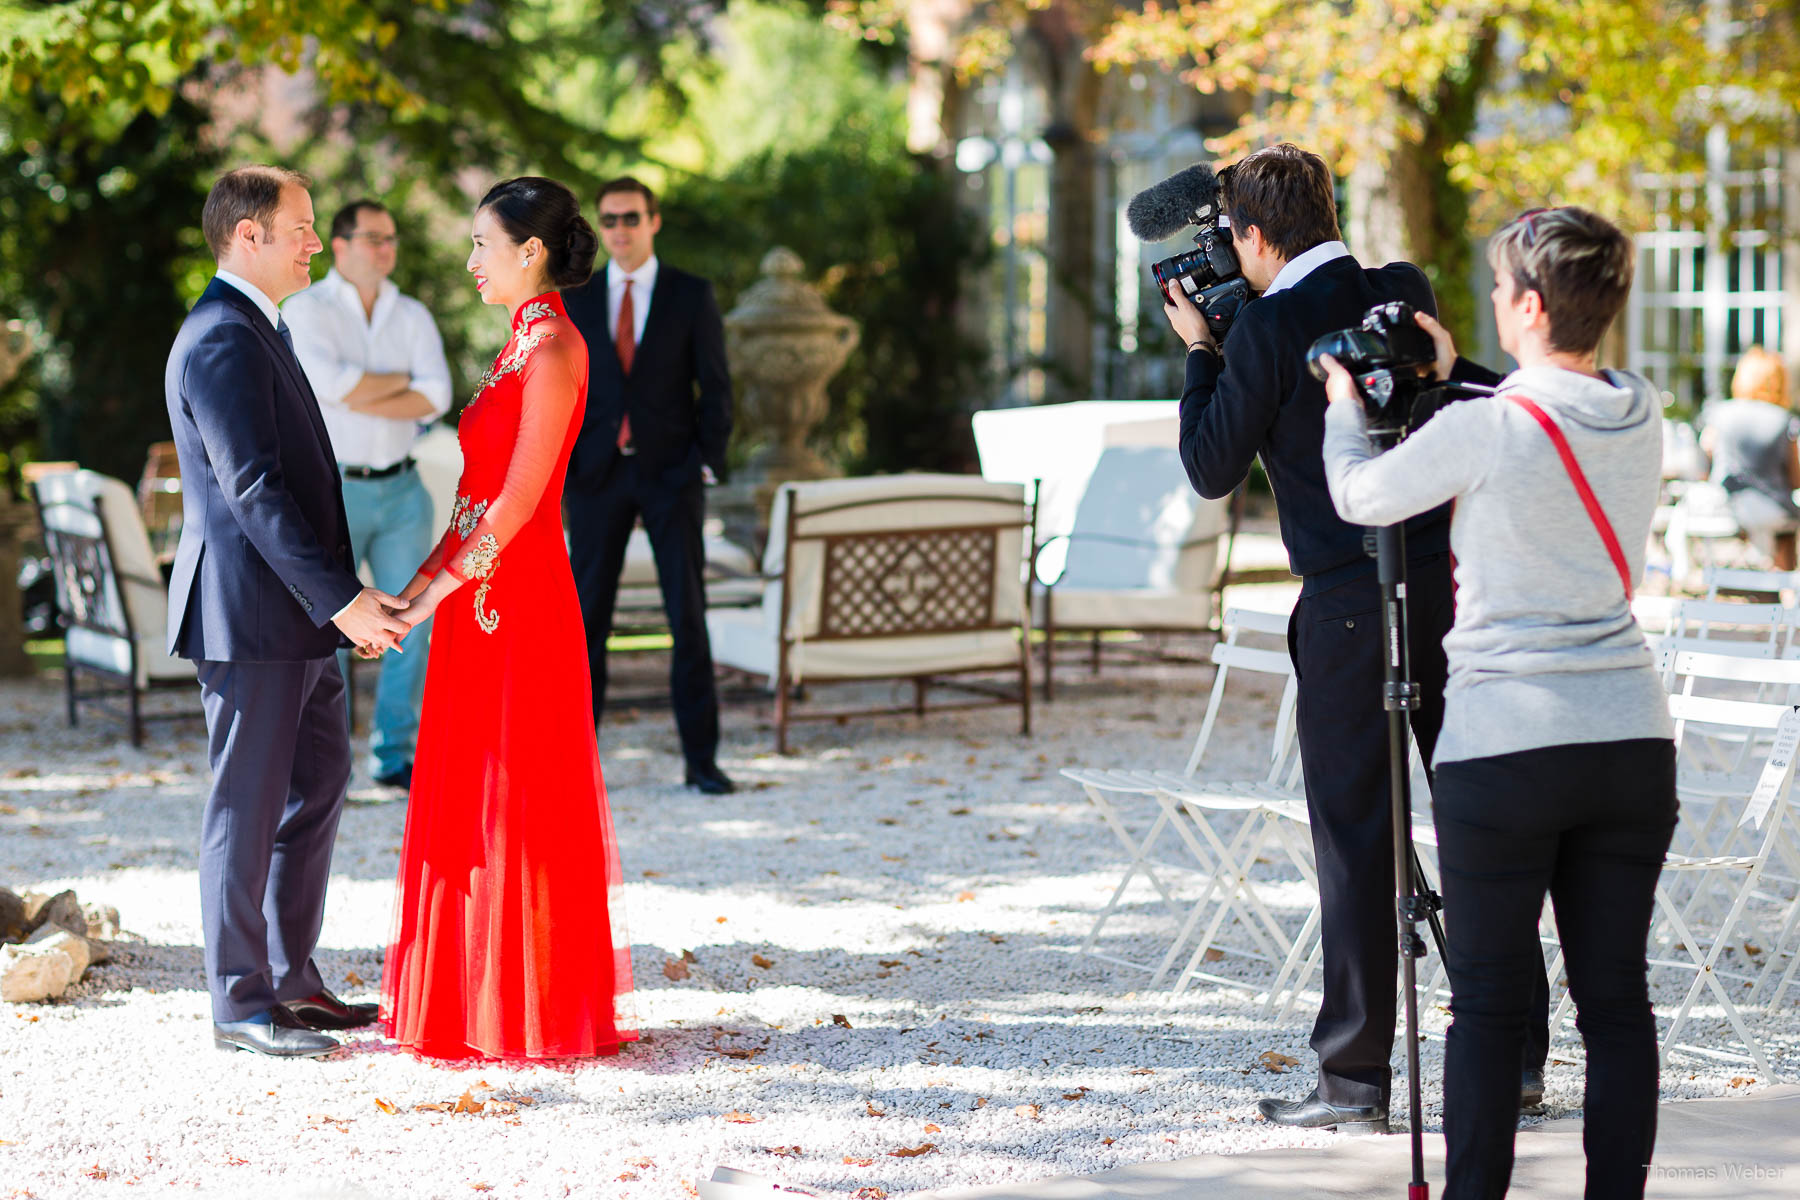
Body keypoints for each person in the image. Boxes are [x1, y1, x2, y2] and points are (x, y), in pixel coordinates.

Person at [1161, 142, 1546, 1132]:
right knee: (1477, 824)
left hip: (1341, 604)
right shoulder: (1398, 287)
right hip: (1440, 588)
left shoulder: (1264, 329)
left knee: (1357, 843)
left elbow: (1210, 468)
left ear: (1250, 237)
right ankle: (1518, 1061)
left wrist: (1203, 351)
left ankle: (1356, 1080)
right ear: (1328, 211)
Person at [1319, 205, 1675, 1199]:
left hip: (1506, 745)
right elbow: (1545, 399)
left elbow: (1362, 494)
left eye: (1498, 289)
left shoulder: (1486, 427)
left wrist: (1349, 402)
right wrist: (1456, 370)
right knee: (1617, 1005)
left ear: (1524, 304)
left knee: (1483, 1004)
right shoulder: (1641, 410)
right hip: (1630, 739)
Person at [380, 176, 637, 1060]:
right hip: (473, 602)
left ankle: (527, 1007)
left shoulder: (555, 348)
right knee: (471, 795)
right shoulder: (518, 344)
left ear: (530, 253)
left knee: (516, 797)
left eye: (482, 245)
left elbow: (520, 505)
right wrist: (416, 591)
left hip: (518, 604)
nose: (470, 261)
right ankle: (466, 998)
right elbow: (468, 500)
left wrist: (432, 598)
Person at [164, 165, 410, 1058]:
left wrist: (347, 594)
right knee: (247, 804)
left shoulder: (261, 327)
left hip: (300, 615)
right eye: (302, 227)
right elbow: (255, 489)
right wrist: (342, 600)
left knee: (318, 793)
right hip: (251, 617)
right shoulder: (221, 337)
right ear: (248, 235)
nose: (316, 242)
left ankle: (290, 978)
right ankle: (239, 1003)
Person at [561, 176, 736, 795]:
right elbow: (563, 388)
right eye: (609, 220)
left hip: (671, 476)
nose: (620, 230)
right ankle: (574, 767)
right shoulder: (575, 298)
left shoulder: (691, 294)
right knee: (586, 623)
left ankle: (701, 762)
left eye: (631, 218)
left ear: (654, 221)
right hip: (596, 477)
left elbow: (715, 386)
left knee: (688, 616)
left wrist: (706, 461)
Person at [282, 199, 454, 791]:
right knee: (324, 622)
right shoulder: (304, 308)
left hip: (403, 488)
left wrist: (362, 390)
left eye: (391, 238)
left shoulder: (412, 313)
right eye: (372, 238)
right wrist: (398, 383)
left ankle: (395, 754)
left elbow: (438, 395)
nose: (385, 249)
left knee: (412, 620)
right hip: (335, 490)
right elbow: (328, 386)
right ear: (340, 244)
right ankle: (325, 757)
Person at [1700, 346, 1800, 569]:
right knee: (1787, 528)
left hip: (1726, 505)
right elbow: (1796, 479)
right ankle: (1783, 586)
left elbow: (1706, 455)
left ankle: (1739, 578)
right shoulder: (1784, 420)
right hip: (1773, 510)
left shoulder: (1720, 413)